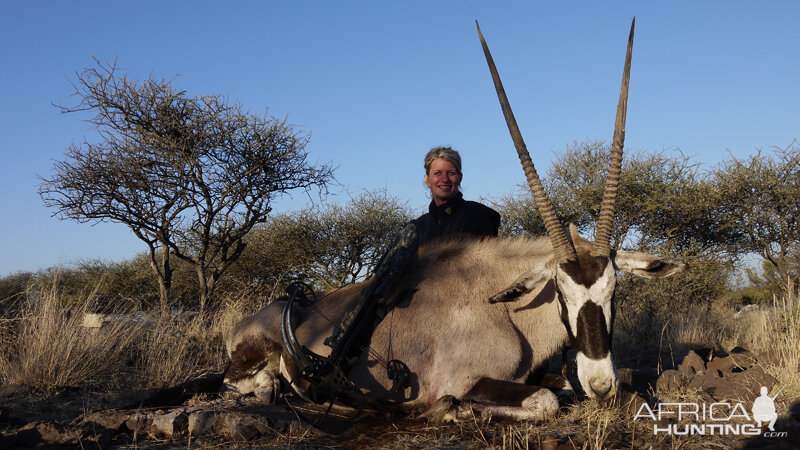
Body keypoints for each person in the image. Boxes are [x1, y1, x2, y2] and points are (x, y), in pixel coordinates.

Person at [411, 146, 501, 245]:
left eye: (451, 173)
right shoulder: (416, 228)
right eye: (437, 173)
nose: (445, 179)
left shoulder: (480, 215)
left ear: (460, 178)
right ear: (427, 180)